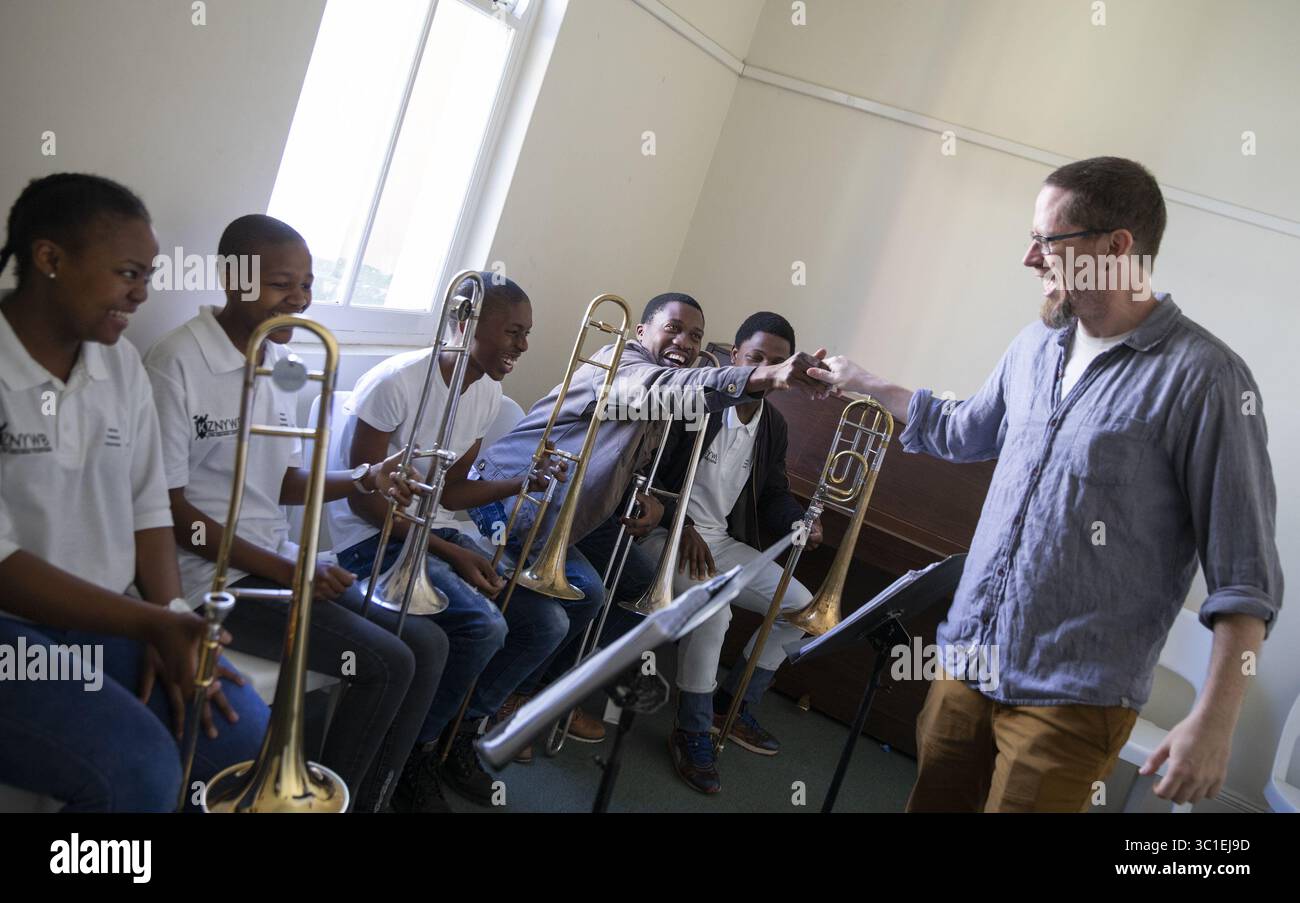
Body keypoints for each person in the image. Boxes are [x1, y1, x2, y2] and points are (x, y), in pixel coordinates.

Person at [808, 156, 1282, 811]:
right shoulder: (1034, 345)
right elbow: (961, 429)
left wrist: (1215, 722)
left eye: (1047, 240)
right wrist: (863, 381)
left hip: (1072, 699)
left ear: (1115, 247)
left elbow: (1246, 579)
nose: (1031, 258)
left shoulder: (1207, 380)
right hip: (966, 666)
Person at [145, 214, 449, 813]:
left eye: (307, 285)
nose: (301, 301)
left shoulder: (281, 365)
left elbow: (283, 481)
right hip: (213, 580)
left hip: (275, 564)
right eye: (284, 285)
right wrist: (292, 573)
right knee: (387, 663)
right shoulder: (175, 363)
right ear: (235, 281)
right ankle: (318, 803)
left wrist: (363, 477)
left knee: (432, 645)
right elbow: (173, 514)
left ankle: (371, 794)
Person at [0, 174, 269, 811]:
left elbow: (150, 509)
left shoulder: (117, 365)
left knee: (241, 736)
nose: (142, 293)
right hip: (14, 634)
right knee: (137, 770)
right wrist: (148, 621)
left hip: (106, 615)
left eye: (148, 275)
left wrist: (172, 616)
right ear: (50, 259)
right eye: (128, 272)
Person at [472, 293, 829, 761]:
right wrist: (769, 375)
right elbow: (657, 390)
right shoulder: (617, 363)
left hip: (578, 510)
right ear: (642, 331)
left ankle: (547, 693)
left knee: (641, 592)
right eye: (673, 328)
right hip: (511, 495)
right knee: (591, 597)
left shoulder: (691, 395)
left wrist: (658, 505)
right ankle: (508, 703)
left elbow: (641, 465)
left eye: (696, 335)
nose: (684, 341)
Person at [332, 272, 576, 805]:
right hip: (367, 540)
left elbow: (453, 490)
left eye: (526, 333)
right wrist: (453, 552)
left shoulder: (486, 393)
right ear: (467, 324)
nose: (524, 346)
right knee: (484, 627)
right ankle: (407, 754)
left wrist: (520, 482)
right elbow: (362, 499)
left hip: (430, 532)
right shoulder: (397, 383)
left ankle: (454, 734)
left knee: (546, 624)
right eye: (513, 331)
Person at [638, 311, 822, 793]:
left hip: (719, 543)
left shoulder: (773, 426)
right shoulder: (700, 399)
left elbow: (774, 492)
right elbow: (649, 470)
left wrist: (798, 518)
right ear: (735, 356)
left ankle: (732, 706)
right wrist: (683, 521)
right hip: (662, 532)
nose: (766, 366)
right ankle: (692, 728)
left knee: (804, 609)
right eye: (756, 356)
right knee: (713, 611)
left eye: (777, 361)